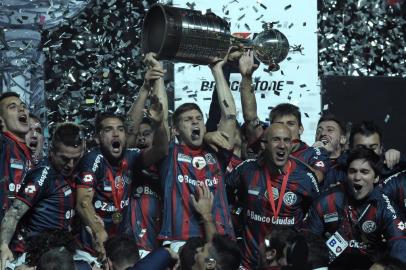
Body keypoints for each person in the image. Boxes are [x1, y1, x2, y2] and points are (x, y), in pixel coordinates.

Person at [157, 51, 238, 252]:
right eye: (187, 120)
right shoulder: (169, 154)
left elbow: (230, 117)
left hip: (221, 239)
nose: (195, 121)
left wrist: (218, 70)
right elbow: (159, 119)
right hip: (181, 240)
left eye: (198, 118)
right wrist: (158, 75)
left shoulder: (216, 152)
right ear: (175, 129)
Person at [75, 100, 167, 260]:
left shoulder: (131, 156)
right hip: (91, 247)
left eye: (120, 129)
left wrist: (159, 124)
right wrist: (98, 231)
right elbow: (82, 202)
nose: (116, 134)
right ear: (97, 138)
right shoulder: (93, 160)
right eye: (109, 130)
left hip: (119, 244)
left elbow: (161, 149)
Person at [225, 123, 320, 268]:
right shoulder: (247, 170)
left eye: (286, 140)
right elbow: (225, 195)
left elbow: (314, 214)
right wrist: (237, 217)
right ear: (264, 144)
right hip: (249, 263)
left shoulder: (305, 178)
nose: (282, 145)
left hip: (285, 264)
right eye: (276, 139)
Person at [0, 123, 85, 270]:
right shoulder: (43, 175)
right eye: (65, 159)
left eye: (75, 159)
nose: (71, 165)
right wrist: (3, 246)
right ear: (51, 152)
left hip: (61, 252)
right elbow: (14, 214)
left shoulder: (73, 172)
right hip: (39, 257)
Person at [305, 148, 406, 268]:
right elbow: (308, 239)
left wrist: (385, 267)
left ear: (376, 178)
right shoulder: (327, 200)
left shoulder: (384, 206)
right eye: (352, 171)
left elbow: (399, 244)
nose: (357, 177)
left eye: (364, 172)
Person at [238, 51, 327, 183]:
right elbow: (251, 118)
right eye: (279, 124)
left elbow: (317, 178)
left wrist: (284, 158)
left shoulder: (313, 153)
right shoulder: (264, 146)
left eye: (290, 124)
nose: (284, 128)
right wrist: (246, 78)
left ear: (301, 129)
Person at [0, 92, 32, 223]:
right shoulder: (3, 144)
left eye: (23, 105)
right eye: (12, 107)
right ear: (1, 121)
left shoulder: (27, 153)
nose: (21, 108)